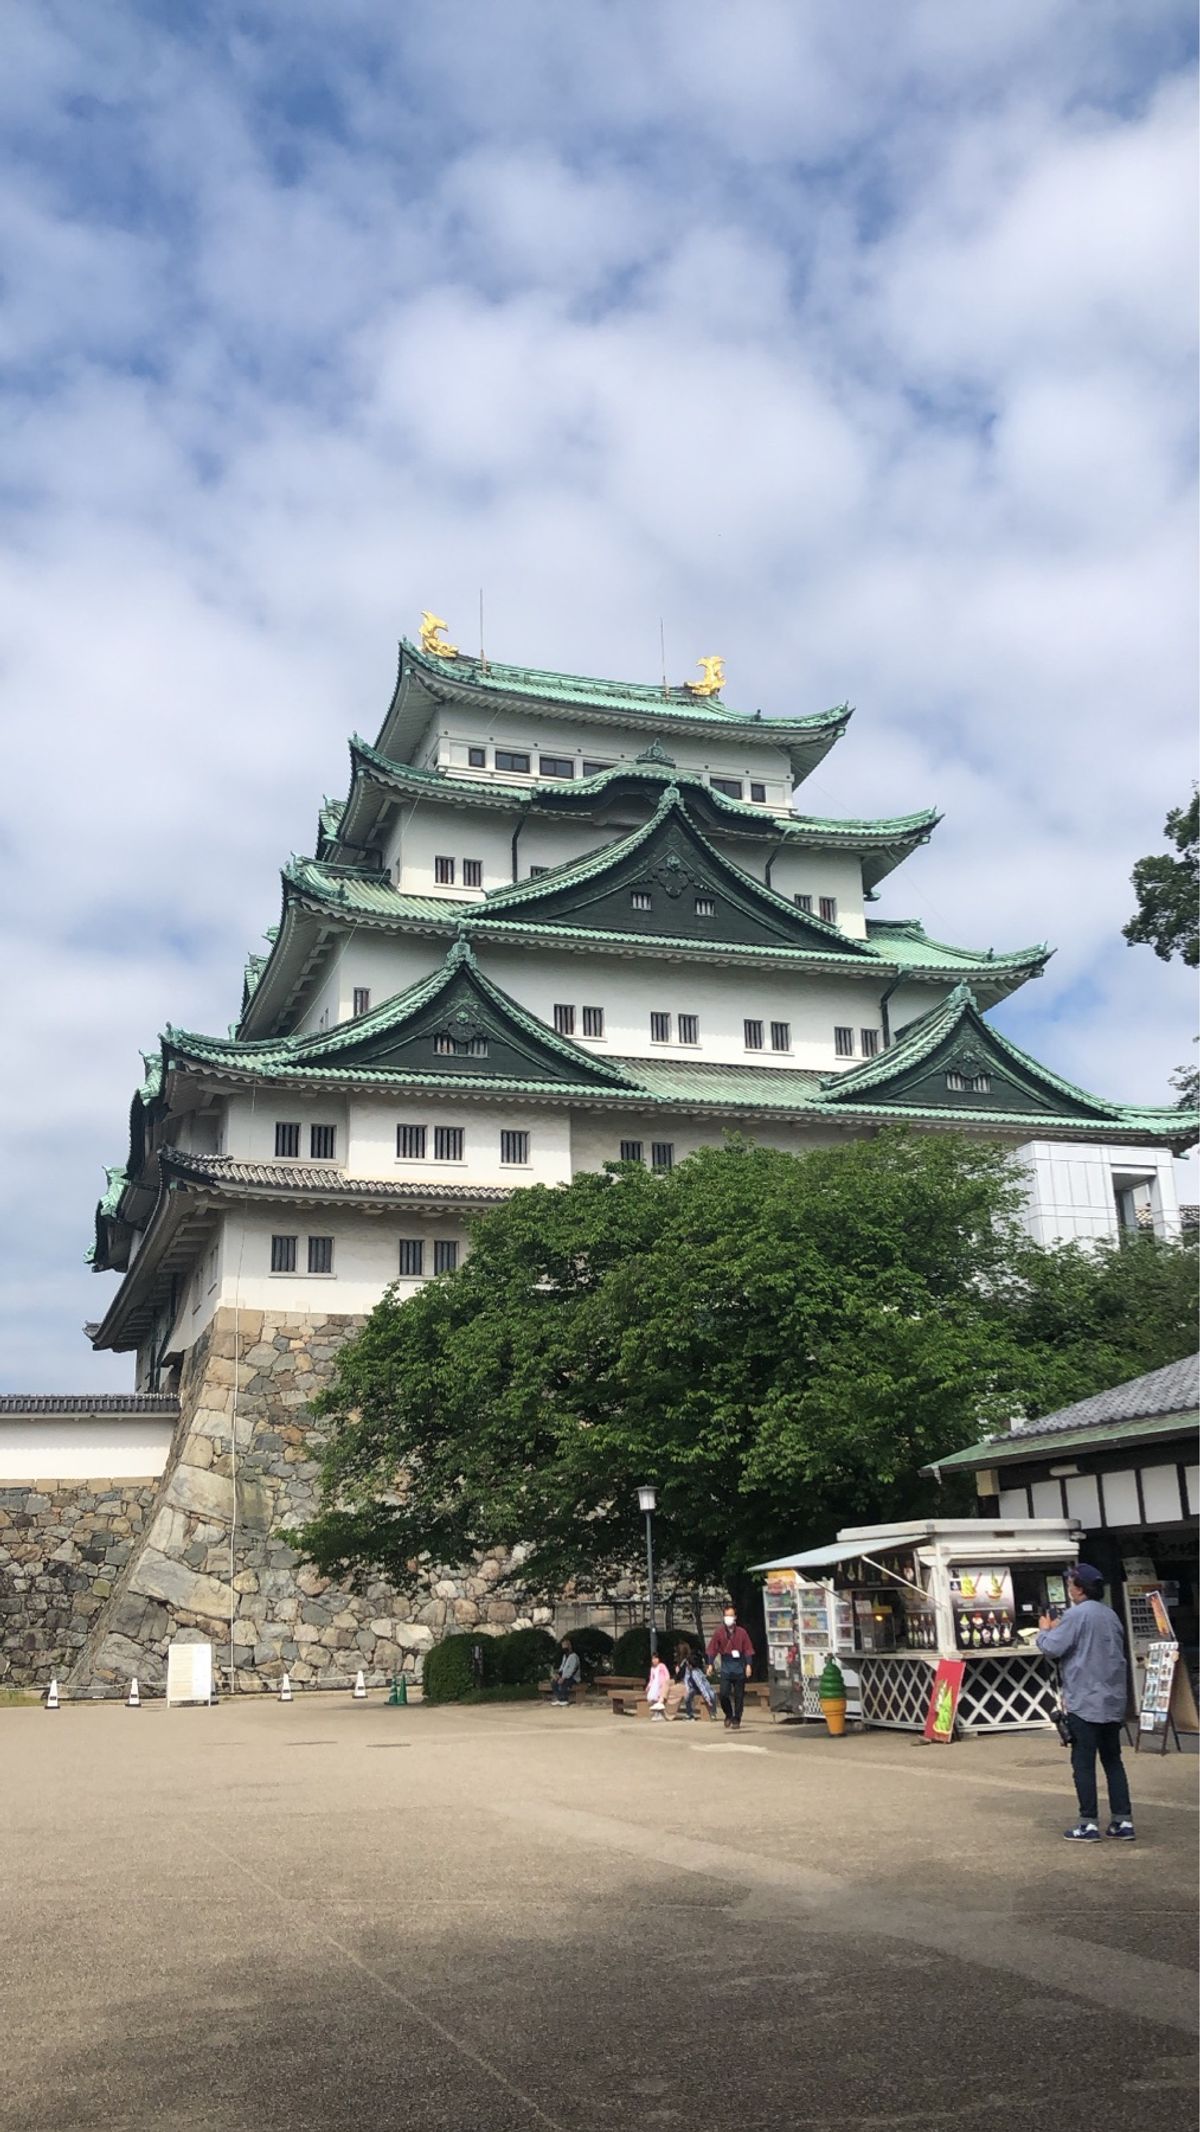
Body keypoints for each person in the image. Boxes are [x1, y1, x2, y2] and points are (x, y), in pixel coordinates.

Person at [1036, 1564, 1134, 1841]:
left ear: (1078, 1588)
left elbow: (1052, 1648)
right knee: (1113, 1761)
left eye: (1070, 1585)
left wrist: (1044, 1631)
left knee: (1083, 1762)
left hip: (1084, 1699)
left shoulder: (1076, 1615)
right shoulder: (1111, 1615)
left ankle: (1088, 1823)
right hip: (1113, 1699)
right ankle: (1122, 1821)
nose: (1069, 1589)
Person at [706, 1603, 755, 1731]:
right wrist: (710, 1663)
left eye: (731, 1616)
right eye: (726, 1616)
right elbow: (712, 1649)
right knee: (723, 1694)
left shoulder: (742, 1633)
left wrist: (748, 1665)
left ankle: (737, 1718)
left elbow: (748, 1649)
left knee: (739, 1696)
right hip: (726, 1665)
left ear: (735, 1617)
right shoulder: (719, 1632)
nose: (728, 1618)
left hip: (739, 1665)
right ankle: (728, 1713)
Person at [676, 1640, 716, 1722]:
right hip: (693, 1687)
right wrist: (687, 1689)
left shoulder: (696, 1673)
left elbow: (702, 1686)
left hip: (701, 1687)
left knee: (711, 1695)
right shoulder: (688, 1669)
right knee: (688, 1697)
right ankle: (689, 1714)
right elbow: (686, 1680)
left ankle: (712, 1712)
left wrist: (707, 1699)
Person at [548, 1637, 581, 1706]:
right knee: (554, 1682)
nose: (563, 1648)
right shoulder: (565, 1656)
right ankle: (559, 1698)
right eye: (563, 1646)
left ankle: (564, 1699)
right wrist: (557, 1675)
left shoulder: (574, 1656)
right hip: (564, 1676)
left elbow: (572, 1670)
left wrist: (564, 1678)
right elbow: (562, 1668)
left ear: (569, 1646)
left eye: (565, 1646)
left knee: (564, 1683)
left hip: (573, 1678)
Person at [646, 1650, 671, 1720]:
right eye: (653, 1659)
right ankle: (656, 1713)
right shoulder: (652, 1669)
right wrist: (648, 1686)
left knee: (658, 1698)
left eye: (656, 1658)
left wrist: (666, 1683)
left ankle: (659, 1714)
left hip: (661, 1684)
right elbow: (651, 1679)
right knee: (652, 1699)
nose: (654, 1660)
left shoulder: (662, 1666)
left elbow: (667, 1675)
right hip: (654, 1685)